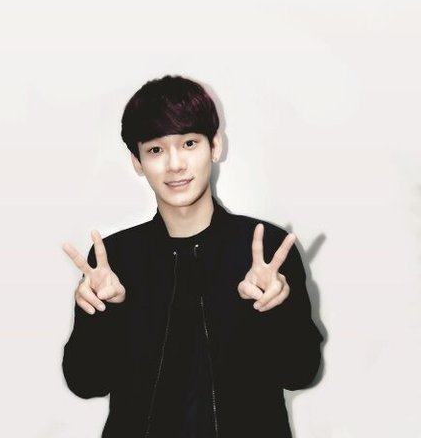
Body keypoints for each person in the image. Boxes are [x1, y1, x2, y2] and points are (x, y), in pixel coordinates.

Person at [62, 75, 323, 438]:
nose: (175, 164)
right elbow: (86, 382)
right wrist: (101, 316)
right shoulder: (114, 259)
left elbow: (301, 373)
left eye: (189, 143)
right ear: (137, 161)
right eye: (156, 150)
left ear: (215, 146)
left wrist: (277, 310)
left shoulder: (266, 251)